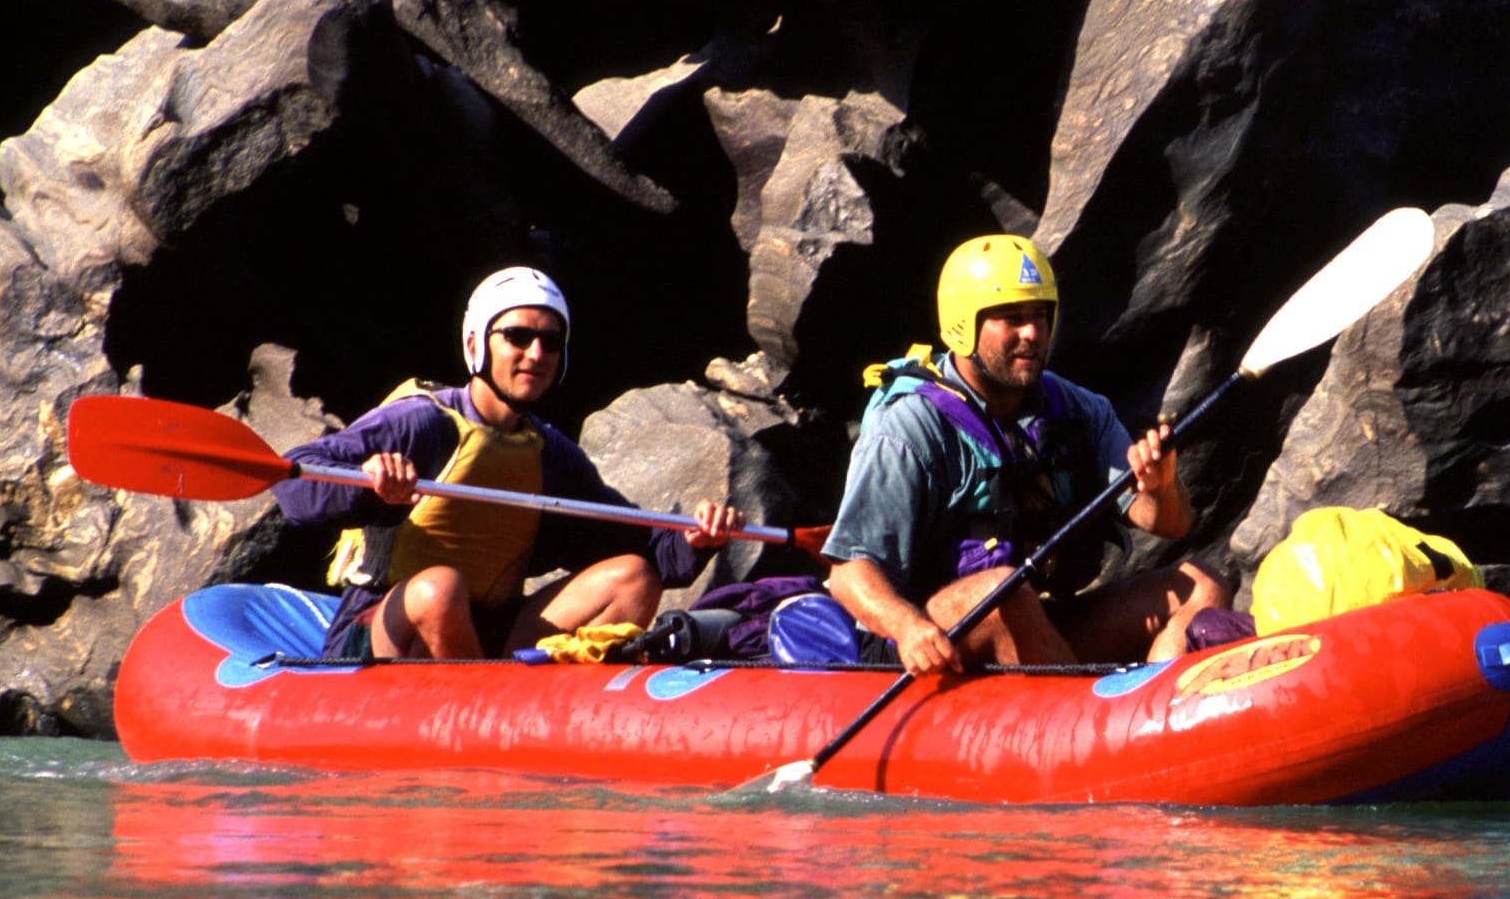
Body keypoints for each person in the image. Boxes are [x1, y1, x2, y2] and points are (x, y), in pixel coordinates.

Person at [274, 266, 741, 660]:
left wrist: (694, 540)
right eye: (517, 336)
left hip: (491, 637)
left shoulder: (549, 452)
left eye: (550, 342)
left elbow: (632, 540)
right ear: (478, 343)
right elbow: (297, 480)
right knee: (440, 588)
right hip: (384, 631)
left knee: (632, 579)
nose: (535, 354)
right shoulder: (420, 422)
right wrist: (369, 487)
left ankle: (532, 710)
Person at [821, 235, 1228, 672]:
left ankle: (1150, 718)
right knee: (998, 591)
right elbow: (848, 572)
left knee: (1203, 585)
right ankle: (1080, 715)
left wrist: (1162, 487)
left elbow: (1169, 523)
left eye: (1040, 316)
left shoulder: (1079, 409)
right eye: (1012, 319)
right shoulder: (907, 428)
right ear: (964, 325)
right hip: (928, 640)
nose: (1032, 333)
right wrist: (906, 627)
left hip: (1030, 618)